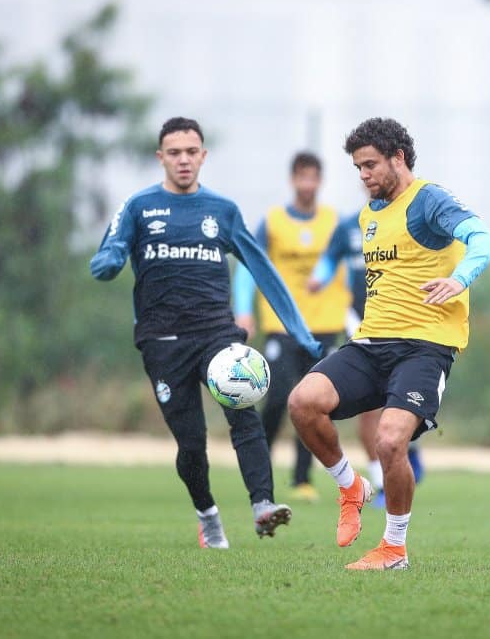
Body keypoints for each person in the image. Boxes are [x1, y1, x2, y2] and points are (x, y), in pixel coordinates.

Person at [90, 117, 322, 548]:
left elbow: (262, 270)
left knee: (244, 415)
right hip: (161, 340)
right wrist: (111, 257)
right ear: (161, 157)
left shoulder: (222, 211)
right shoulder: (139, 206)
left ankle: (263, 506)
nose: (183, 160)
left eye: (191, 152)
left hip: (218, 333)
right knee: (192, 442)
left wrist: (300, 331)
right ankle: (207, 514)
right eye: (174, 153)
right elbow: (112, 247)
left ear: (203, 156)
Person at [288, 117, 490, 570]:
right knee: (303, 403)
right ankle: (351, 486)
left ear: (398, 158)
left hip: (425, 346)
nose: (363, 176)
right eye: (358, 168)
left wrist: (459, 278)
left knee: (388, 441)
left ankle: (394, 547)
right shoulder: (368, 215)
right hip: (371, 342)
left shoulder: (428, 201)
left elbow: (483, 239)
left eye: (370, 166)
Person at [233, 152, 350, 502]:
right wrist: (243, 310)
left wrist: (345, 301)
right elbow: (247, 264)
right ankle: (260, 469)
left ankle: (303, 479)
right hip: (282, 324)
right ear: (293, 180)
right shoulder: (272, 222)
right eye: (302, 177)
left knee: (314, 404)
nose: (308, 185)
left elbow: (349, 265)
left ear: (320, 181)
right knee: (279, 396)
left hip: (324, 326)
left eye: (314, 178)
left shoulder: (336, 223)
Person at [308, 198, 427, 510]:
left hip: (403, 326)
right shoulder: (350, 226)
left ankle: (406, 449)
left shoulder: (409, 221)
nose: (369, 174)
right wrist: (319, 276)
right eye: (364, 167)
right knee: (368, 410)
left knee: (400, 402)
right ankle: (379, 479)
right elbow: (329, 258)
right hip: (359, 324)